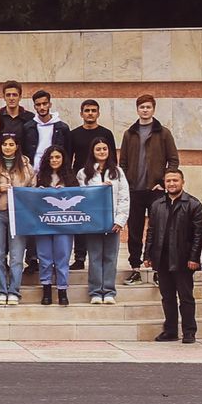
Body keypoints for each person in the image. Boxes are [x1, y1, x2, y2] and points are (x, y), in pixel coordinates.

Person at [119, 95, 179, 284]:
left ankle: (156, 269)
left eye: (148, 107)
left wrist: (163, 181)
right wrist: (127, 182)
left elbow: (174, 160)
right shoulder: (129, 133)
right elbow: (123, 162)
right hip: (135, 191)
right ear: (137, 109)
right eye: (141, 107)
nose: (145, 110)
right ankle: (135, 267)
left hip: (156, 191)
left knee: (157, 230)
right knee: (134, 230)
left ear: (153, 109)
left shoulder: (163, 133)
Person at [143, 168, 202, 343]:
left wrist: (194, 258)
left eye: (175, 180)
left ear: (182, 182)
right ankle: (170, 330)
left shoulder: (193, 204)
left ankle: (189, 331)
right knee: (167, 297)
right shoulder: (157, 205)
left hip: (183, 259)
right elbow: (151, 231)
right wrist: (147, 255)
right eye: (168, 181)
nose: (171, 184)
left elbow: (198, 235)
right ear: (164, 183)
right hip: (162, 258)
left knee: (185, 297)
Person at [63, 100, 116, 275]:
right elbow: (68, 159)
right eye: (87, 111)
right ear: (81, 113)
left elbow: (112, 158)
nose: (90, 113)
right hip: (81, 181)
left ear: (98, 113)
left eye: (94, 110)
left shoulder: (106, 133)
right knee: (80, 218)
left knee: (99, 217)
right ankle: (79, 257)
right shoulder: (74, 134)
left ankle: (101, 255)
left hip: (102, 182)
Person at [77, 138, 130, 305]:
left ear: (109, 151)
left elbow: (124, 197)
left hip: (112, 221)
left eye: (104, 149)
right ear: (92, 151)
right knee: (94, 257)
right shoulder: (83, 173)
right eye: (98, 149)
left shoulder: (118, 172)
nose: (101, 152)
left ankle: (108, 291)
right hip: (93, 221)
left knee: (110, 256)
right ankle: (95, 291)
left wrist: (120, 220)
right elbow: (81, 197)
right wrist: (99, 188)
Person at [30, 145, 79, 306]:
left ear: (63, 158)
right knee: (44, 257)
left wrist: (65, 191)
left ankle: (62, 290)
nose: (54, 160)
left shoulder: (71, 177)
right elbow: (31, 198)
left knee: (62, 256)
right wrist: (39, 191)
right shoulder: (40, 176)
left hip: (64, 224)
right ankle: (46, 288)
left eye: (57, 157)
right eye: (51, 158)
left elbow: (79, 198)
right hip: (44, 224)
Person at [0, 133, 32, 305]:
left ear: (17, 146)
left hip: (18, 214)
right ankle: (1, 290)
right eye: (5, 144)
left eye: (11, 144)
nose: (8, 147)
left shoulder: (26, 165)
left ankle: (14, 290)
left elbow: (34, 186)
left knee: (16, 255)